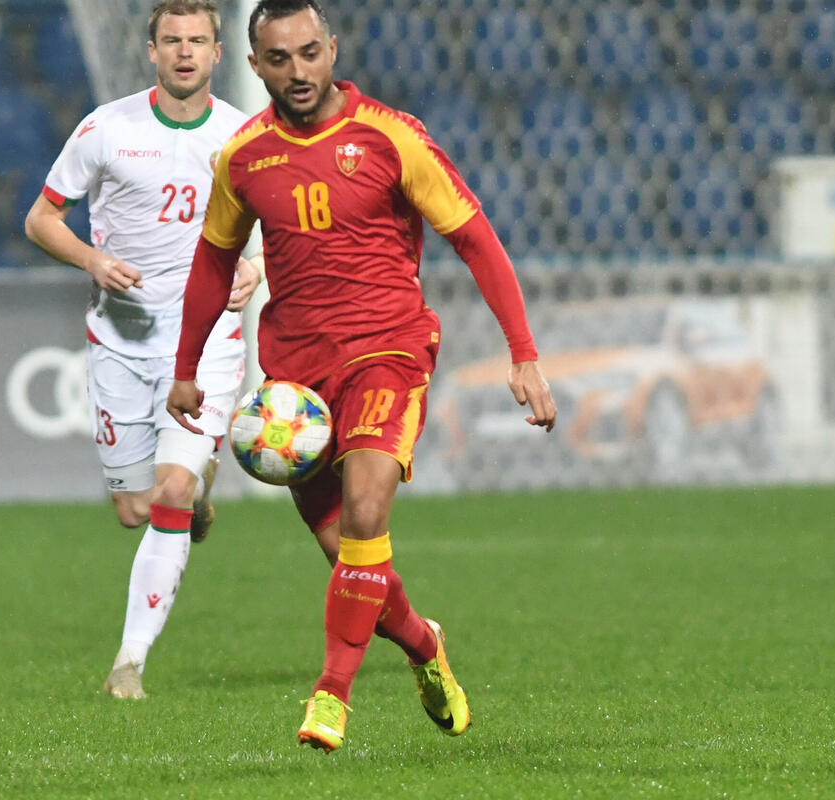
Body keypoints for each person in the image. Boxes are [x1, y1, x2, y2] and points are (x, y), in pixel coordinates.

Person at [167, 0, 556, 751]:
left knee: (367, 514)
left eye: (309, 52)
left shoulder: (391, 135)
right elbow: (213, 261)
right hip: (296, 386)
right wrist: (185, 369)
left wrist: (523, 351)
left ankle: (331, 696)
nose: (297, 70)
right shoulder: (243, 157)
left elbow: (475, 237)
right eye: (279, 58)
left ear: (333, 48)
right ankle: (423, 644)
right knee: (352, 559)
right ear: (253, 66)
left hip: (388, 352)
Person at [25, 0, 262, 701]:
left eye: (198, 41)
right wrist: (92, 260)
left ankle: (127, 665)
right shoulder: (106, 129)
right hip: (121, 339)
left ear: (218, 53)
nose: (185, 52)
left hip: (207, 339)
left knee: (169, 493)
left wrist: (256, 267)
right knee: (135, 509)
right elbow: (41, 219)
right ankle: (196, 490)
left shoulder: (244, 136)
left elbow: (285, 226)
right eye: (172, 40)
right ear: (152, 51)